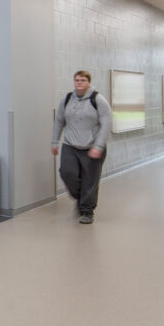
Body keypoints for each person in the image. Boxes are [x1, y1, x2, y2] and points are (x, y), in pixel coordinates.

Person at [51, 70, 112, 224]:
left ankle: (87, 211)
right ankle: (81, 198)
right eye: (77, 80)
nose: (79, 83)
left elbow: (106, 123)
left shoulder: (98, 99)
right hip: (70, 144)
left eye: (83, 80)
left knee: (90, 180)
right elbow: (59, 121)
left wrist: (98, 146)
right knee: (67, 172)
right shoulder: (67, 99)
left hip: (92, 147)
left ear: (88, 82)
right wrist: (54, 142)